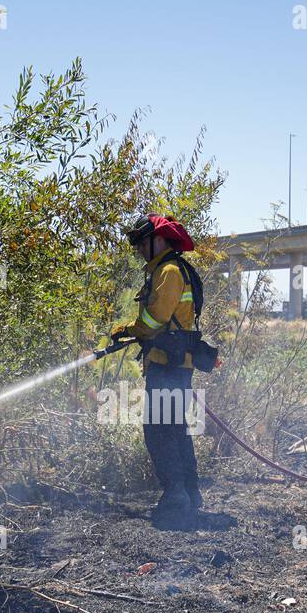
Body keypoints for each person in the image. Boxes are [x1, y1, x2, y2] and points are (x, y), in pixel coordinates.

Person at [111, 213, 204, 528]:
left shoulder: (168, 271)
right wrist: (132, 331)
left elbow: (155, 319)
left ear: (158, 240)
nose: (138, 249)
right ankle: (189, 493)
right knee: (175, 429)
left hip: (168, 365)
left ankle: (176, 494)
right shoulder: (170, 269)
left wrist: (129, 329)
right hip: (175, 365)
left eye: (141, 244)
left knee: (158, 431)